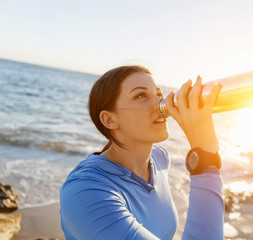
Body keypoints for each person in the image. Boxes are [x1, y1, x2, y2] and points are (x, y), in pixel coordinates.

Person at [60, 65, 224, 239]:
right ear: (109, 120)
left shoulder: (159, 158)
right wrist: (205, 156)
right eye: (141, 95)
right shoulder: (86, 192)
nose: (161, 104)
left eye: (159, 94)